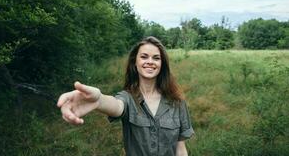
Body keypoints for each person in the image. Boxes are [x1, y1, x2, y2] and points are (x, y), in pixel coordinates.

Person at [57, 36, 195, 156]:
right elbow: (117, 105)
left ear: (162, 64)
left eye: (156, 58)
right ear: (135, 63)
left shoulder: (177, 102)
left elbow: (180, 149)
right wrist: (98, 100)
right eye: (144, 56)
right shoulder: (128, 98)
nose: (150, 61)